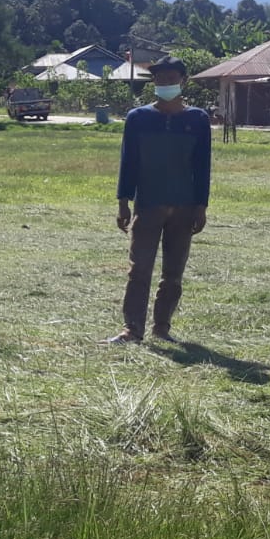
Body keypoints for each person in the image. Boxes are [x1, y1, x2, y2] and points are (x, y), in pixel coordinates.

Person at [107, 56, 211, 344]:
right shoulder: (138, 118)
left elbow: (202, 166)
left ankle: (162, 328)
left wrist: (201, 206)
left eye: (170, 78)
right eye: (159, 79)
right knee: (139, 268)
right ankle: (132, 329)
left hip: (184, 206)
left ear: (183, 81)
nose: (164, 83)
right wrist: (123, 202)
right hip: (148, 204)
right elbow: (129, 162)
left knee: (173, 273)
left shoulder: (198, 120)